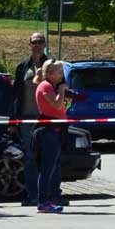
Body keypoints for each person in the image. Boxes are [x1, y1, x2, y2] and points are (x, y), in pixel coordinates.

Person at [12, 32, 51, 206]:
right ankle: (32, 194)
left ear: (45, 44)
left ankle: (50, 194)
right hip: (26, 119)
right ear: (29, 44)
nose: (37, 45)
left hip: (46, 118)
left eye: (40, 42)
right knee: (30, 157)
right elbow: (15, 94)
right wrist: (12, 119)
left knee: (49, 157)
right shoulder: (23, 66)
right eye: (34, 42)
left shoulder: (51, 65)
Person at [32, 59, 70, 214]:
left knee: (54, 167)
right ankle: (43, 201)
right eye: (59, 72)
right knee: (47, 168)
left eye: (62, 72)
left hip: (57, 129)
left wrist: (67, 99)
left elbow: (61, 108)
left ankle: (51, 198)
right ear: (49, 73)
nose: (61, 75)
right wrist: (62, 91)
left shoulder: (52, 87)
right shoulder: (45, 86)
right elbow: (56, 105)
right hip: (49, 131)